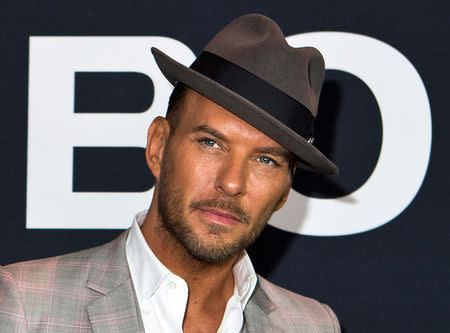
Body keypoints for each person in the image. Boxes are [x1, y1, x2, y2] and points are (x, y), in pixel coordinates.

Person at [0, 14, 341, 332]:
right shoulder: (26, 307)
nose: (232, 181)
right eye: (210, 143)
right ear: (158, 146)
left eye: (265, 160)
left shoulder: (312, 325)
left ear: (285, 190)